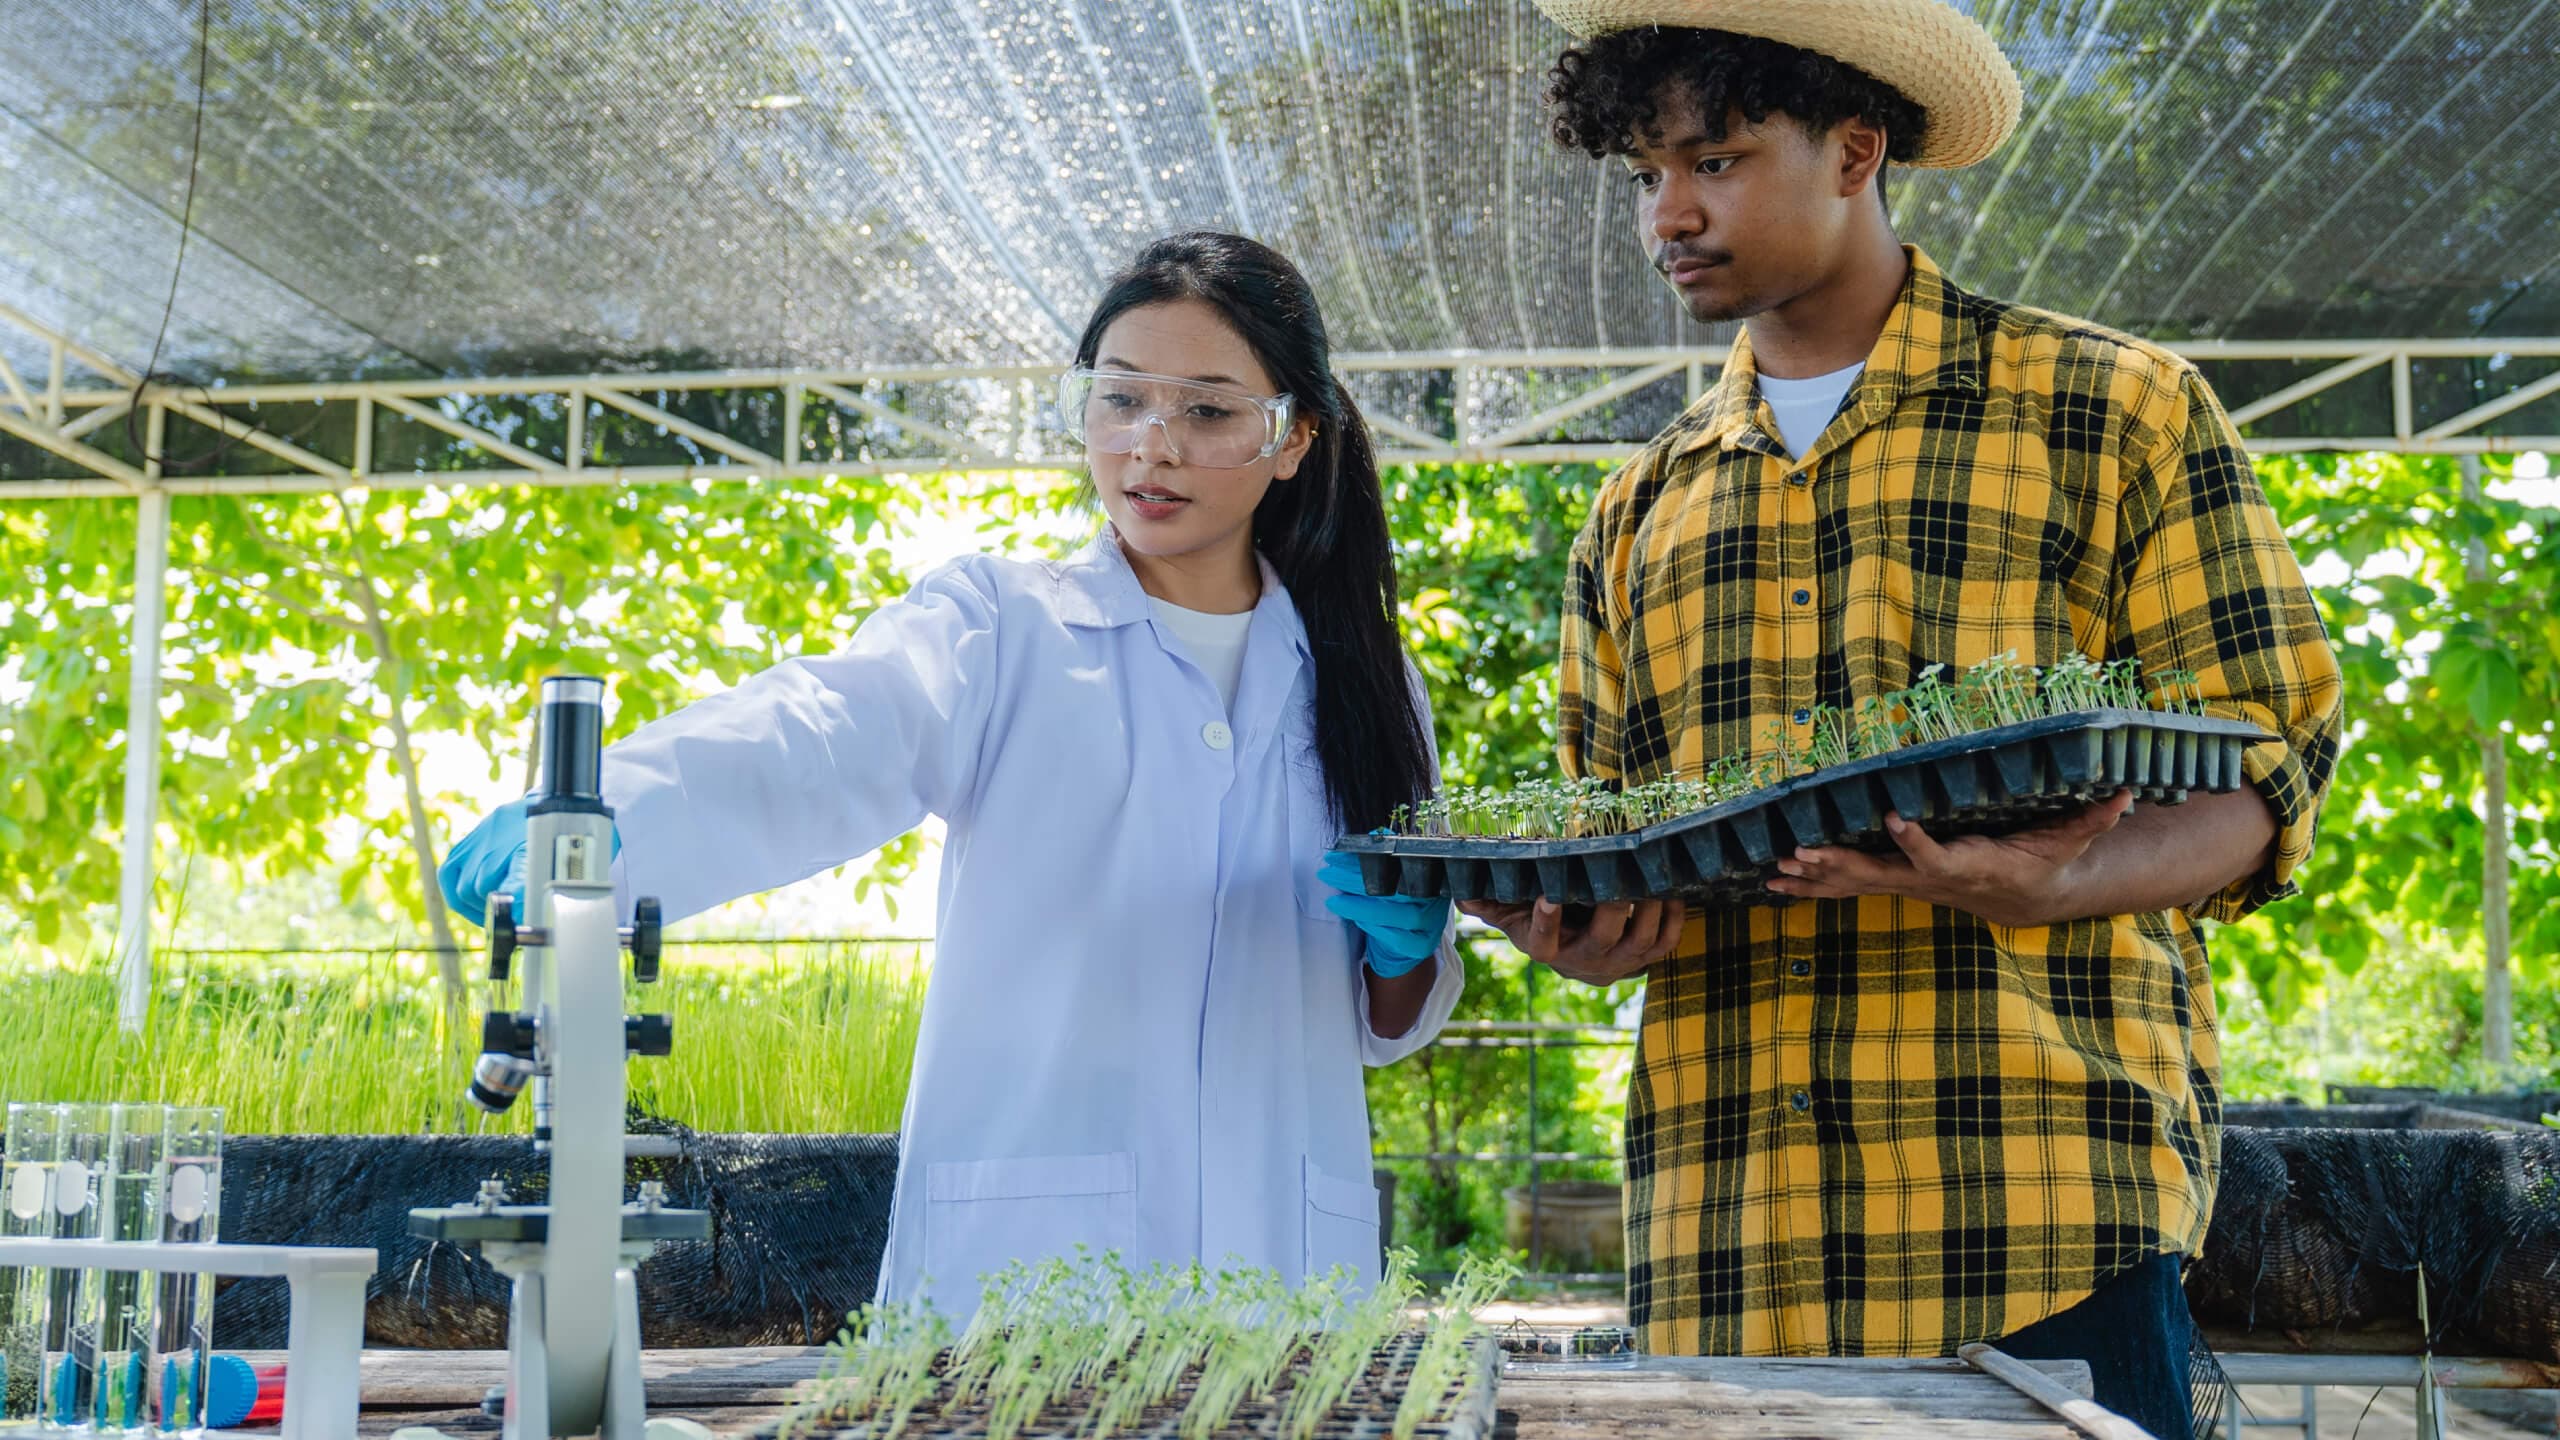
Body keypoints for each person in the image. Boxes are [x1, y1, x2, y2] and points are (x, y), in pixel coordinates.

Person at [1460, 4, 2345, 1434]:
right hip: (1726, 1238)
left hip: (2038, 1220)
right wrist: (1587, 934)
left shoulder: (2112, 410)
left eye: (1718, 159)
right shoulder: (1641, 508)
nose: (1668, 213)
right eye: (1643, 172)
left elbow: (2267, 760)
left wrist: (2061, 881)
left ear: (1858, 149)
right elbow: (1615, 836)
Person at [438, 231, 1464, 1319]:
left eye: (1207, 412)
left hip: (1285, 1261)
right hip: (1033, 1264)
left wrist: (1405, 943)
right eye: (1118, 401)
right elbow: (822, 729)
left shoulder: (1367, 680)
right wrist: (595, 822)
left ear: (1294, 436)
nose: (1149, 447)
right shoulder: (1002, 624)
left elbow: (1385, 1017)